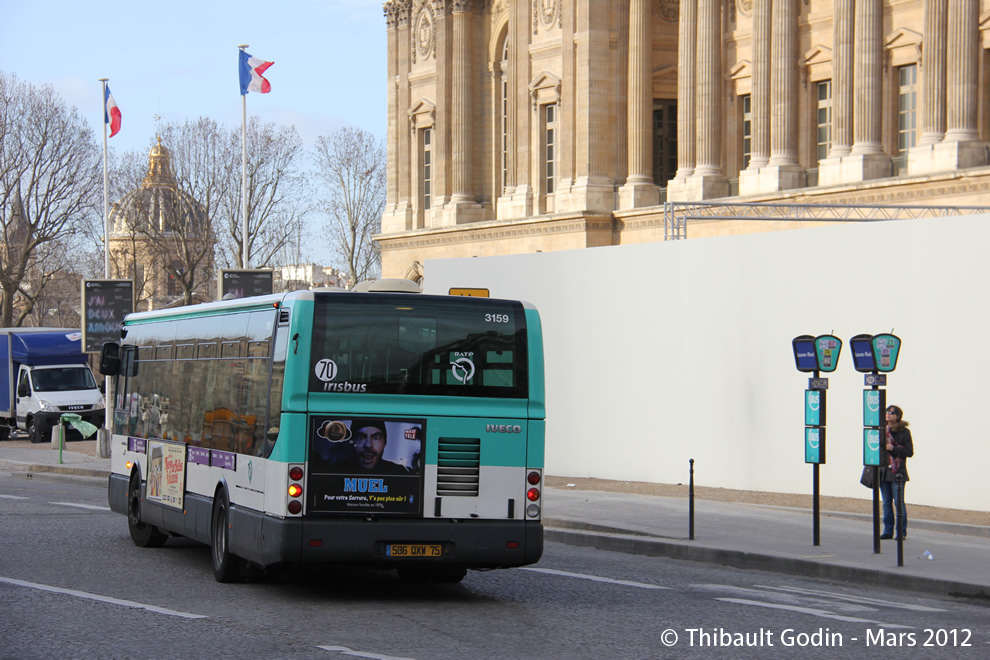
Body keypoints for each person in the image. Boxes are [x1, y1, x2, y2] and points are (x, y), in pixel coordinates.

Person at [879, 405, 914, 540]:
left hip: (897, 471)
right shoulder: (882, 430)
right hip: (883, 470)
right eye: (887, 412)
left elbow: (909, 452)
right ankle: (888, 530)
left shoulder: (904, 432)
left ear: (898, 416)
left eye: (891, 413)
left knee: (898, 502)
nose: (888, 415)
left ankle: (901, 532)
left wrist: (893, 448)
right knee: (886, 502)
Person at [329, 419, 410, 475]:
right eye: (360, 437)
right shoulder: (334, 471)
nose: (368, 445)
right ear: (352, 442)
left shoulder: (399, 473)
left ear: (385, 442)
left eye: (376, 438)